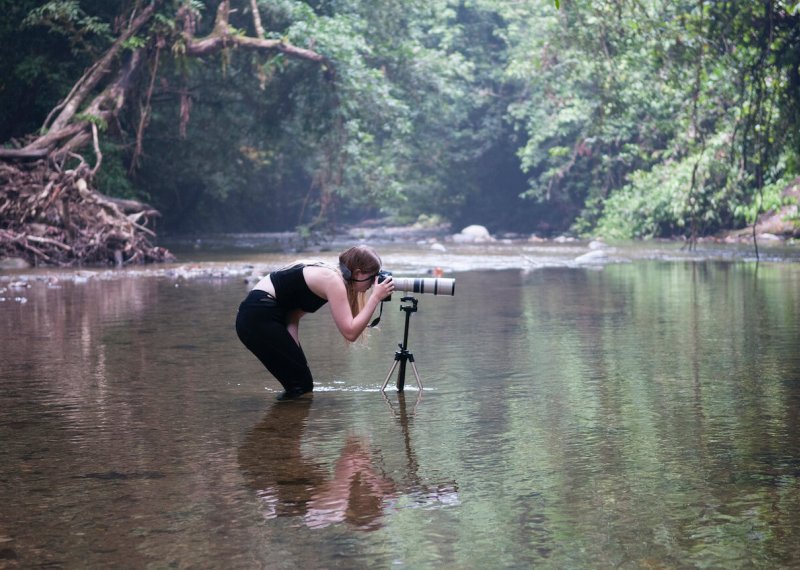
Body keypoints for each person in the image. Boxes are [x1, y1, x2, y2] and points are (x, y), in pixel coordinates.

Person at [235, 245, 395, 400]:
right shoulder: (333, 280)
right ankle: (282, 424)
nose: (373, 283)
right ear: (359, 273)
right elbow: (350, 332)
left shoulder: (332, 275)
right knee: (300, 385)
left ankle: (286, 423)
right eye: (372, 278)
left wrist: (296, 353)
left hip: (257, 316)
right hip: (258, 316)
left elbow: (293, 315)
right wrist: (375, 298)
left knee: (301, 383)